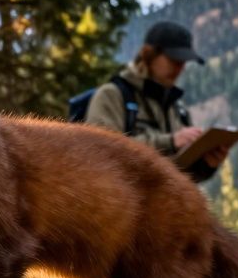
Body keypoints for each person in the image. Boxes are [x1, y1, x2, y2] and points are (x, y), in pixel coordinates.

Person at [84, 21, 227, 182]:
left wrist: (206, 165)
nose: (180, 67)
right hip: (126, 206)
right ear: (148, 55)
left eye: (184, 62)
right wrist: (170, 141)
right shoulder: (112, 95)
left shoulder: (177, 108)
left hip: (168, 205)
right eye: (174, 59)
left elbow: (183, 178)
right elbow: (102, 153)